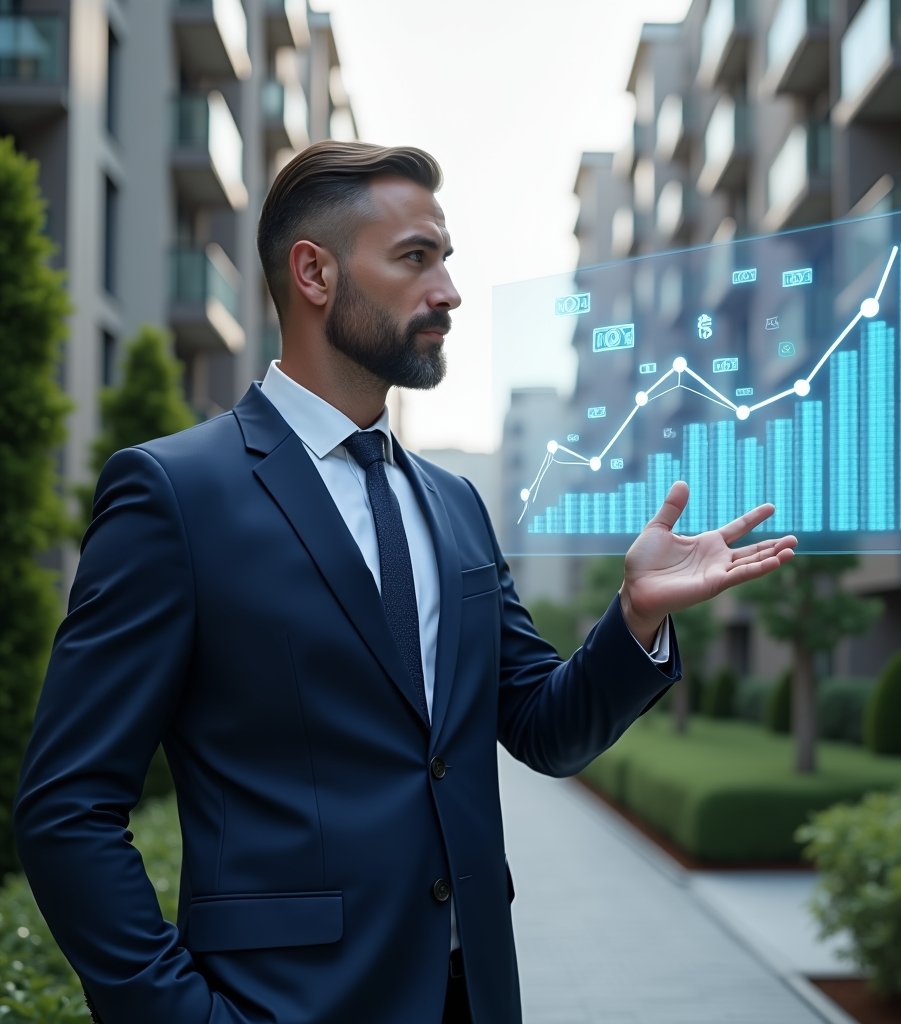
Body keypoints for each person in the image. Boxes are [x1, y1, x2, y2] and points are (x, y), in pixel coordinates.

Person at [14, 141, 797, 1024]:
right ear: (314, 273)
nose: (449, 293)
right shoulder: (175, 495)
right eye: (416, 259)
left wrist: (635, 617)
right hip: (287, 1004)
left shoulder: (455, 504)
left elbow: (545, 729)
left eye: (448, 262)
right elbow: (67, 809)